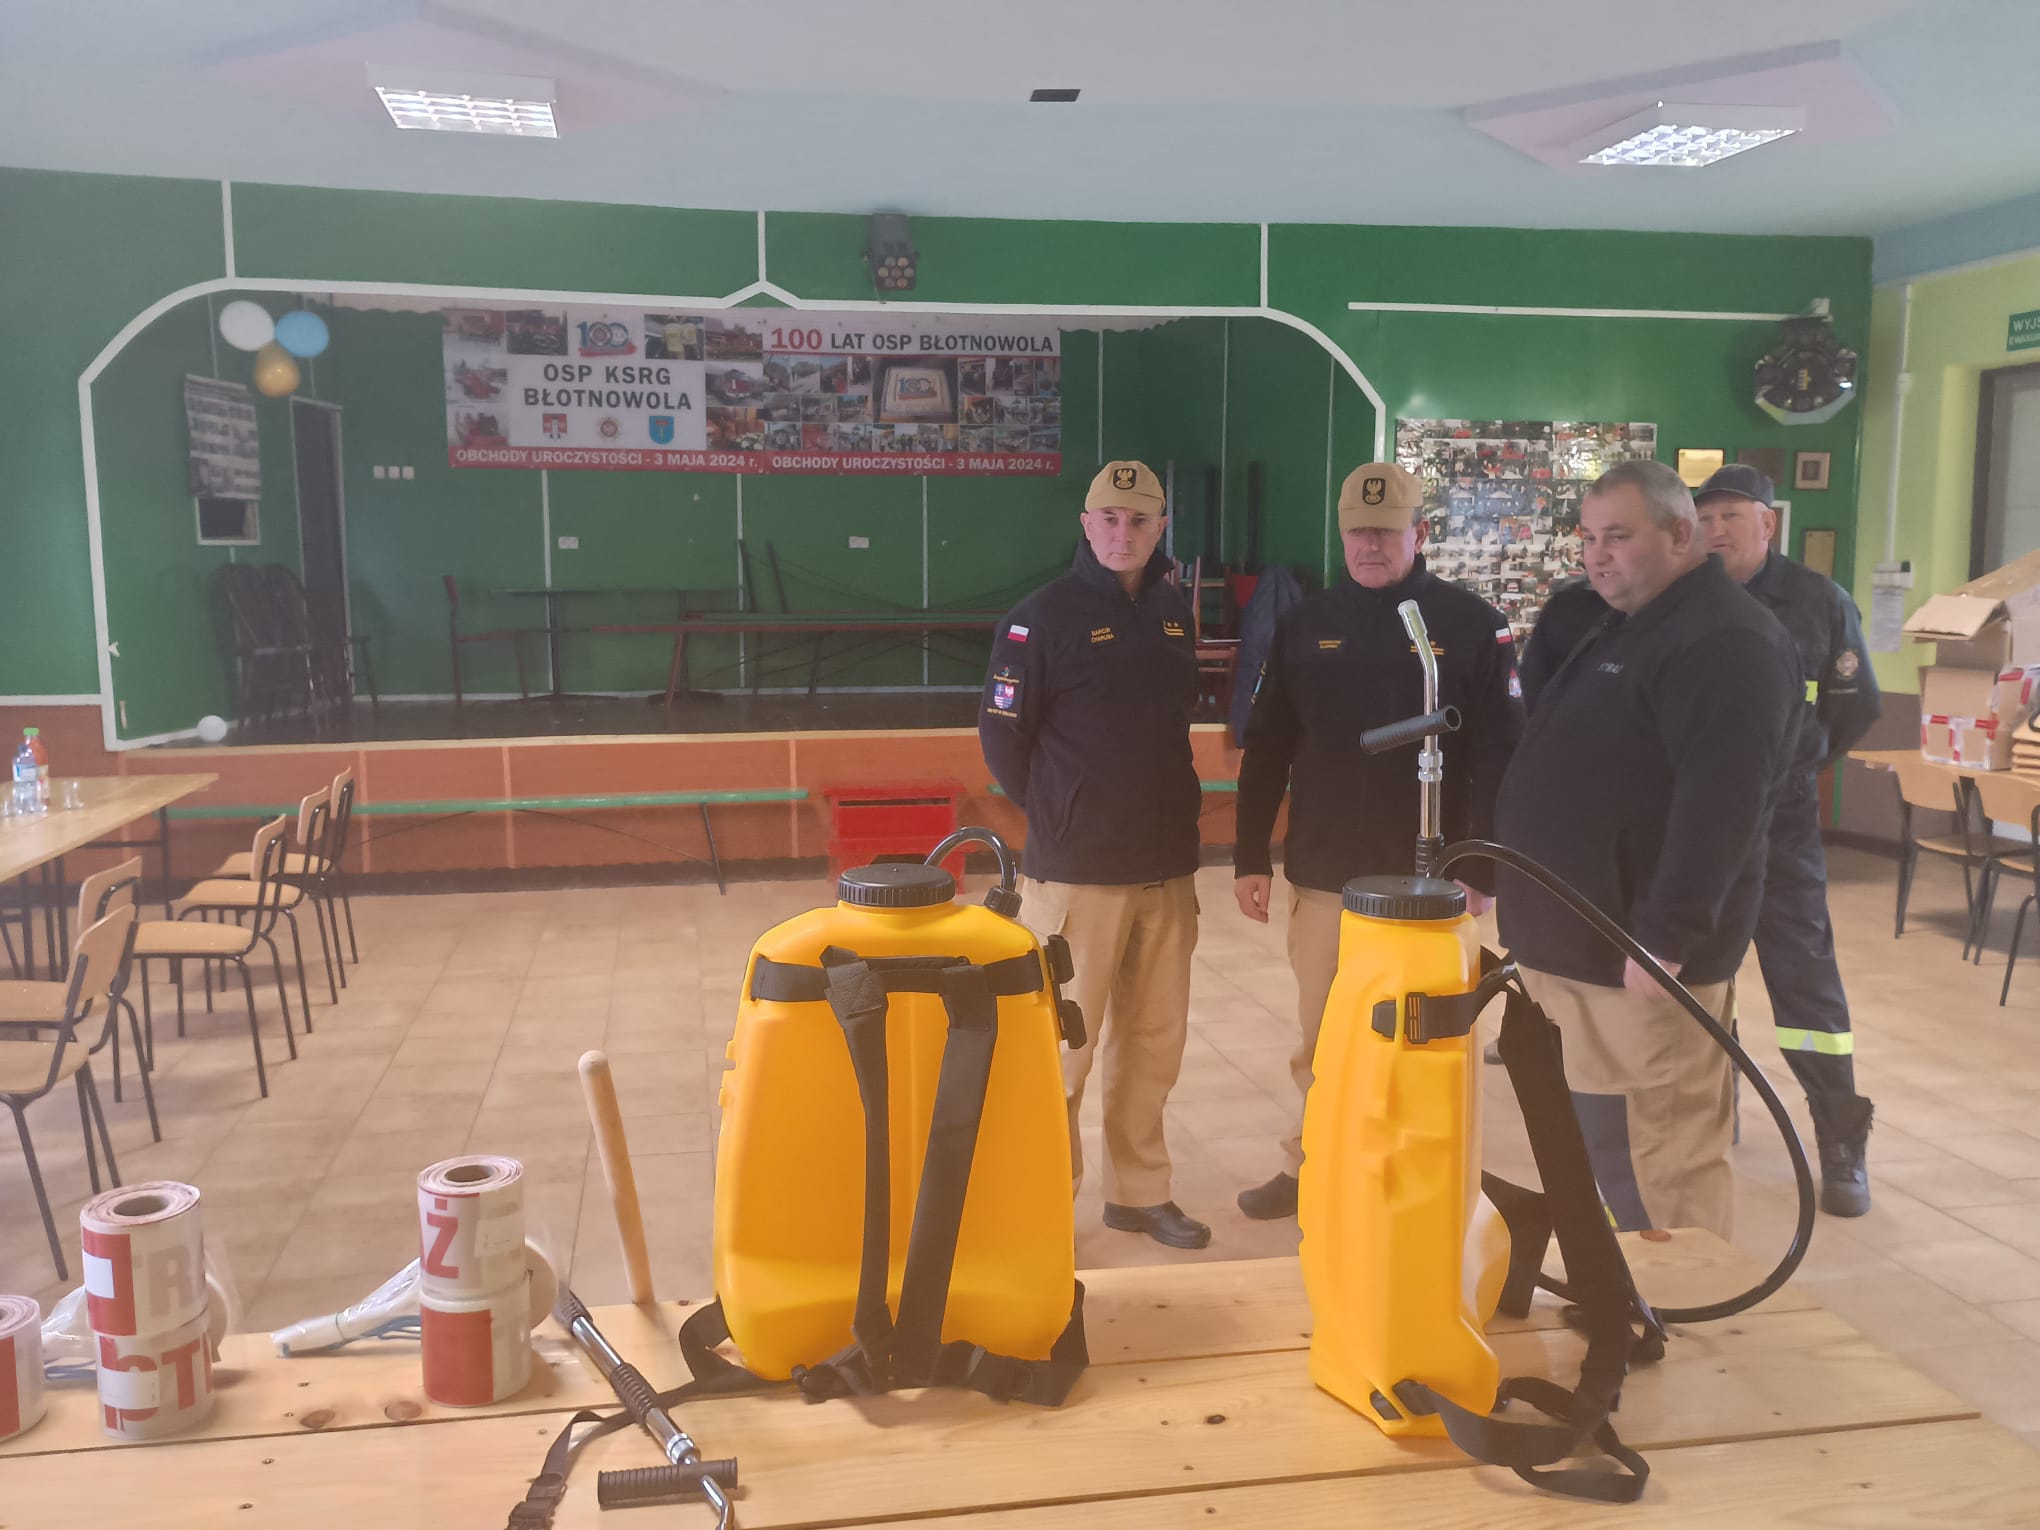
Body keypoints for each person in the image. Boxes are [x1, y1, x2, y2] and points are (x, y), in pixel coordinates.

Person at [1494, 459, 1797, 1239]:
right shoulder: (1626, 622)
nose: (1597, 555)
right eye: (1589, 537)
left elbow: (1722, 805)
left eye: (1619, 537)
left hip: (1639, 960)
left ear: (1680, 533)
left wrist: (1666, 936)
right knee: (1603, 1155)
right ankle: (1622, 1292)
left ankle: (1685, 1303)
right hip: (1577, 948)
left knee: (1659, 1160)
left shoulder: (1726, 640)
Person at [1231, 461, 1524, 1221]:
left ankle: (1415, 1174)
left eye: (1386, 532)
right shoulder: (1304, 624)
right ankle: (1311, 1166)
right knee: (1323, 1031)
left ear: (1419, 533)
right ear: (1341, 534)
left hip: (1435, 880)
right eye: (1358, 531)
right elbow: (1267, 745)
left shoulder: (1469, 624)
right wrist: (1250, 855)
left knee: (1426, 1034)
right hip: (1326, 872)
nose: (1370, 545)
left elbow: (1499, 752)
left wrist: (1483, 866)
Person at [978, 460, 1211, 1250]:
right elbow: (1003, 739)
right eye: (1109, 518)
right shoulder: (1039, 619)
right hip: (1078, 873)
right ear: (1086, 524)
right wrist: (1062, 812)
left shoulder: (1173, 612)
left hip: (1166, 866)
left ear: (1160, 527)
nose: (1123, 532)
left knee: (1154, 1043)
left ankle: (1139, 1194)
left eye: (1139, 520)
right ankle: (1044, 1203)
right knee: (1062, 1050)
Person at [1694, 463, 1881, 1215]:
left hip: (1781, 823)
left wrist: (1794, 767)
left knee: (1804, 978)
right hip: (1697, 823)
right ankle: (1715, 1106)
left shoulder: (1816, 602)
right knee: (1699, 973)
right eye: (1705, 517)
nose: (1715, 530)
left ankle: (1840, 1138)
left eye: (1730, 517)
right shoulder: (1681, 596)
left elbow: (1853, 707)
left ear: (1767, 523)